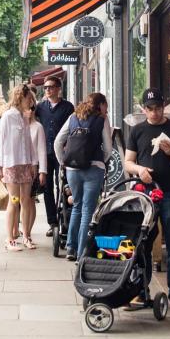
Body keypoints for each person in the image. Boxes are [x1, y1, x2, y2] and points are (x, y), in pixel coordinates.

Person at [124, 87, 170, 313]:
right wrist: (139, 170)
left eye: (158, 108)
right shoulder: (136, 130)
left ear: (164, 107)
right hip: (146, 194)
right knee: (142, 243)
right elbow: (128, 162)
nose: (154, 113)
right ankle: (140, 292)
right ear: (143, 109)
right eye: (150, 109)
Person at [54, 92, 112, 261]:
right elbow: (108, 148)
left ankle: (71, 248)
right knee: (88, 209)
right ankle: (82, 253)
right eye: (105, 106)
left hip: (72, 170)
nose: (106, 110)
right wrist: (101, 161)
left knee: (77, 207)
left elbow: (58, 141)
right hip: (94, 168)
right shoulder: (102, 120)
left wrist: (63, 162)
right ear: (100, 105)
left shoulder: (73, 117)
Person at [0, 83, 37, 251]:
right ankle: (10, 238)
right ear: (21, 97)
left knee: (26, 200)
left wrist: (33, 162)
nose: (31, 103)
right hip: (11, 163)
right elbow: (0, 141)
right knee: (14, 200)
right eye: (29, 99)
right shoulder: (8, 116)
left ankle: (26, 236)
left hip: (25, 163)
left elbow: (29, 142)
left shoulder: (24, 117)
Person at [35, 76, 74, 236]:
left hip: (62, 153)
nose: (47, 90)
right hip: (44, 152)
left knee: (64, 185)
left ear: (59, 88)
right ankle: (52, 222)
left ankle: (65, 218)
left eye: (50, 87)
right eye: (45, 87)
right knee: (46, 187)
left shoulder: (68, 107)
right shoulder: (40, 107)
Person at [23, 93, 47, 242]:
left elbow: (42, 150)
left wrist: (42, 171)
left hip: (32, 168)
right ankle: (17, 231)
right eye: (27, 108)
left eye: (32, 108)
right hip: (18, 167)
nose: (30, 111)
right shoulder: (18, 125)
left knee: (29, 200)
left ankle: (28, 233)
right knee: (19, 202)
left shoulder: (37, 127)